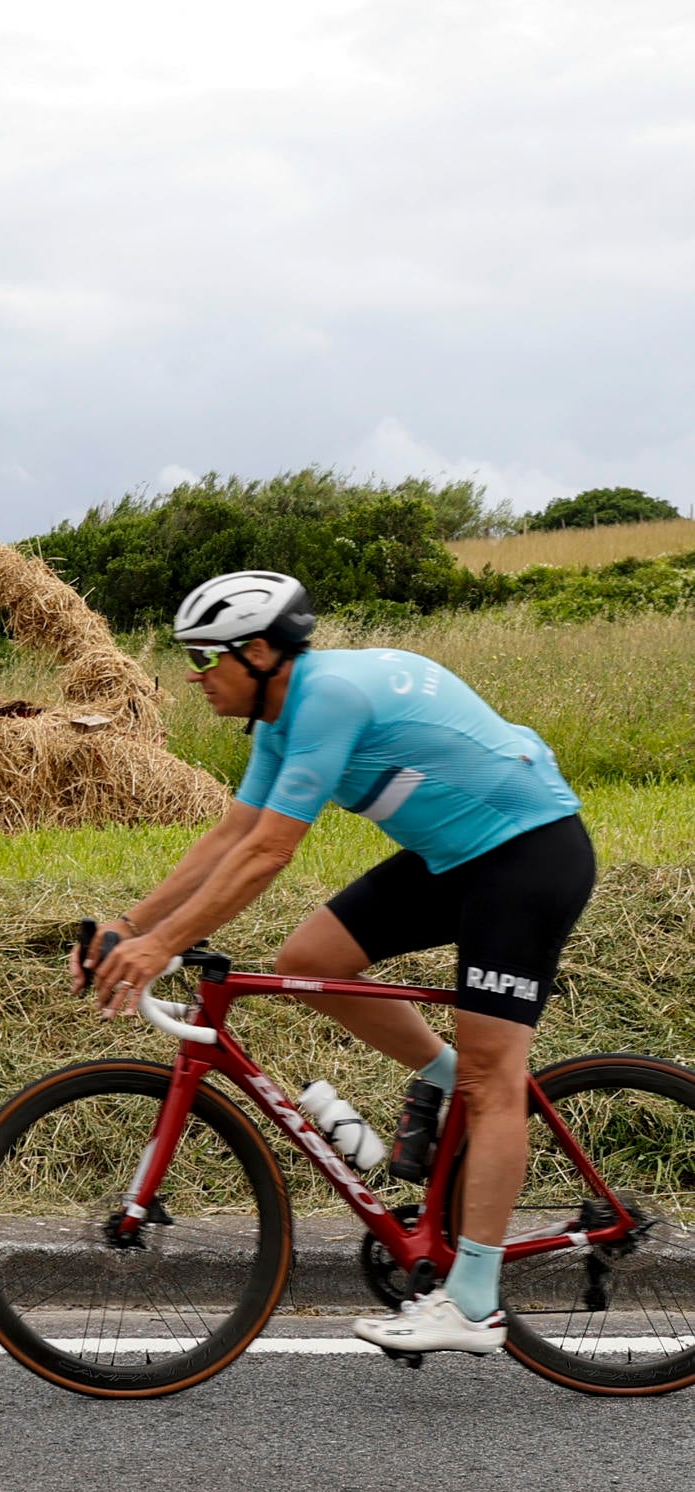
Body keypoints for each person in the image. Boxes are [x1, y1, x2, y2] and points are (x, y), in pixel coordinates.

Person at [75, 570, 595, 1355]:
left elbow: (269, 855)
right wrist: (130, 924)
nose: (195, 675)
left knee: (499, 1079)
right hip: (455, 857)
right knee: (313, 958)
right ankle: (448, 1078)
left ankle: (474, 1304)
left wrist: (163, 946)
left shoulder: (327, 699)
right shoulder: (283, 714)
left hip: (527, 857)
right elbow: (230, 837)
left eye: (204, 657)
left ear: (256, 652)